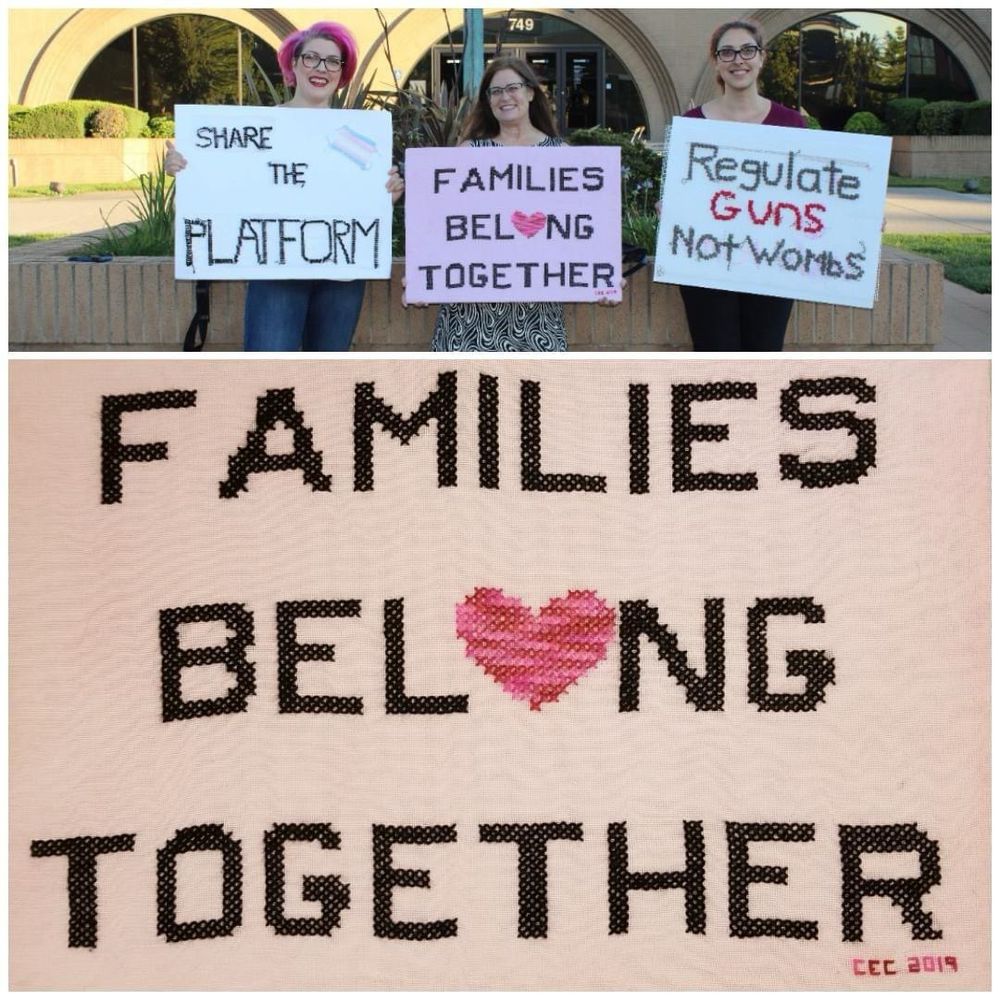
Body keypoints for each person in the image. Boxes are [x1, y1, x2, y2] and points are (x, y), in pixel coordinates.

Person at [165, 21, 404, 351]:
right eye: (311, 58)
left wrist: (386, 195)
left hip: (342, 277)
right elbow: (221, 195)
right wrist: (187, 173)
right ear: (293, 63)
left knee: (326, 376)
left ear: (342, 72)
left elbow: (362, 198)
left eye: (333, 61)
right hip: (277, 275)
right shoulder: (259, 130)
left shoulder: (353, 135)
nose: (322, 69)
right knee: (271, 376)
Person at [675, 19, 807, 352]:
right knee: (714, 356)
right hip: (706, 263)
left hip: (771, 264)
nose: (738, 60)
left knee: (764, 355)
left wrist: (855, 221)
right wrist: (672, 207)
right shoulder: (691, 126)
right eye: (728, 52)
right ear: (716, 62)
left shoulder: (791, 123)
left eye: (748, 50)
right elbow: (682, 190)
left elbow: (808, 195)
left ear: (762, 57)